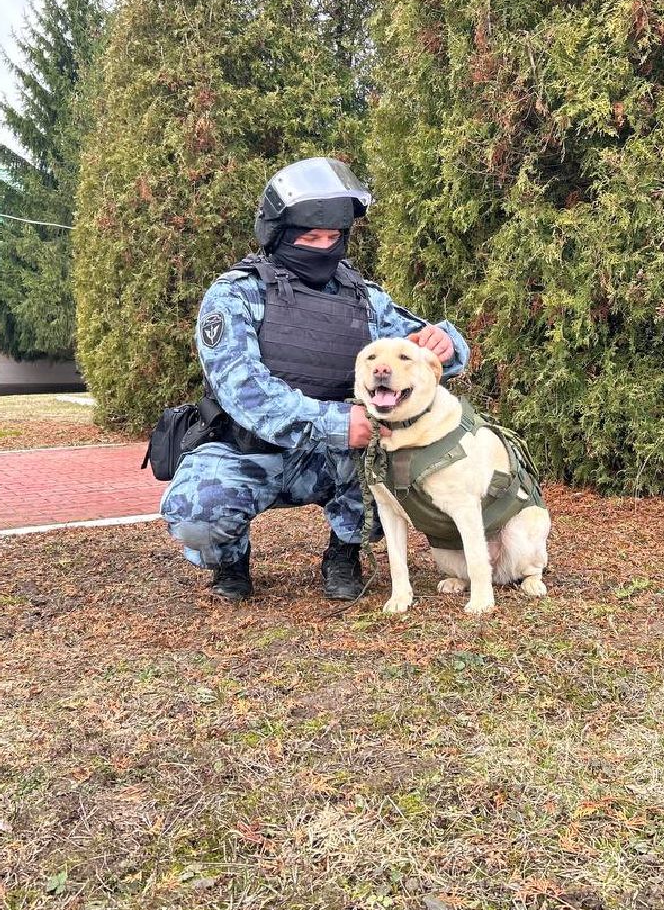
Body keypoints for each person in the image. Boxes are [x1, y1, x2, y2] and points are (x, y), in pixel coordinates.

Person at [161, 157, 470, 602]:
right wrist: (334, 423)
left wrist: (446, 343)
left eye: (333, 238)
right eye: (311, 237)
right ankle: (231, 561)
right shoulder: (235, 294)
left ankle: (344, 552)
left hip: (333, 457)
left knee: (400, 467)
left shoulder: (362, 298)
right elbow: (242, 388)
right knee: (197, 513)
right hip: (247, 449)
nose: (324, 248)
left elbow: (422, 347)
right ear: (280, 235)